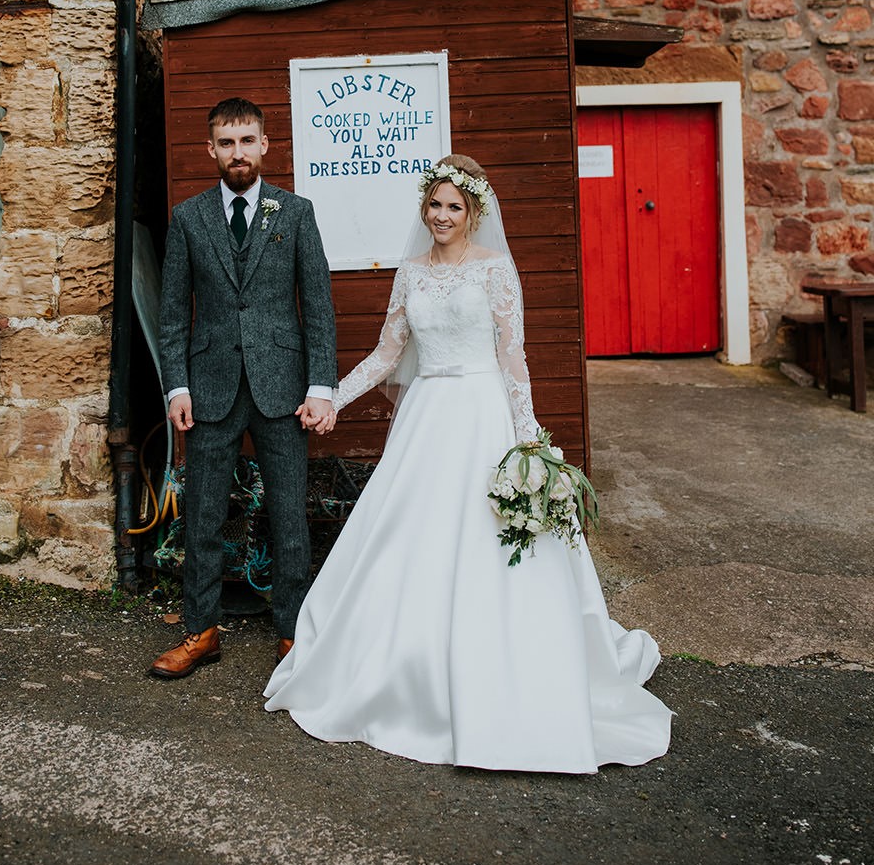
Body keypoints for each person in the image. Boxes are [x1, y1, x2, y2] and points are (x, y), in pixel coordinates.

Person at [265, 154, 672, 772]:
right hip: (428, 414)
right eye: (434, 205)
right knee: (409, 536)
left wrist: (528, 437)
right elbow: (385, 354)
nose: (442, 216)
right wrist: (331, 398)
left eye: (455, 206)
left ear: (474, 211)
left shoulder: (495, 270)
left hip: (482, 412)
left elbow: (514, 357)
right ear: (423, 210)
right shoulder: (410, 273)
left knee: (489, 536)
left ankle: (505, 664)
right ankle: (405, 667)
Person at [150, 97, 337, 678]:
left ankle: (292, 633)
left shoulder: (296, 212)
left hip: (283, 388)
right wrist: (175, 387)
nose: (238, 152)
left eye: (246, 141)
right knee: (203, 515)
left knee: (289, 516)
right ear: (211, 149)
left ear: (264, 145)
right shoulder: (188, 217)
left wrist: (322, 386)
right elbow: (174, 312)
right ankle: (200, 631)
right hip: (209, 389)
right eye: (226, 143)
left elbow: (320, 307)